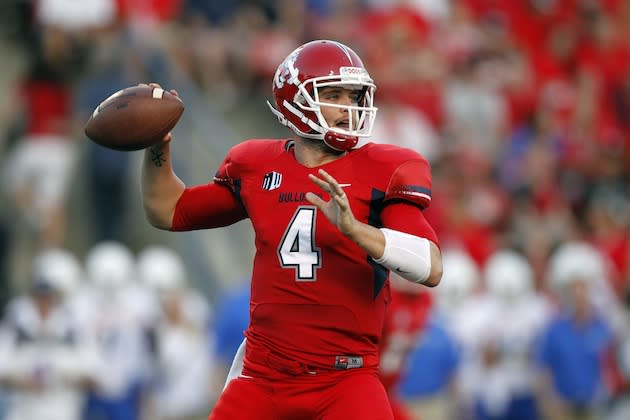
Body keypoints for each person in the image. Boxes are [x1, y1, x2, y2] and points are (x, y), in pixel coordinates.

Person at [141, 39, 443, 419]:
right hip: (264, 378)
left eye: (354, 96)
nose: (349, 108)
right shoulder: (255, 165)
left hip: (345, 380)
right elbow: (168, 210)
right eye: (334, 95)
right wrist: (157, 147)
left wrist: (357, 231)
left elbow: (430, 266)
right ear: (295, 101)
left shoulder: (386, 168)